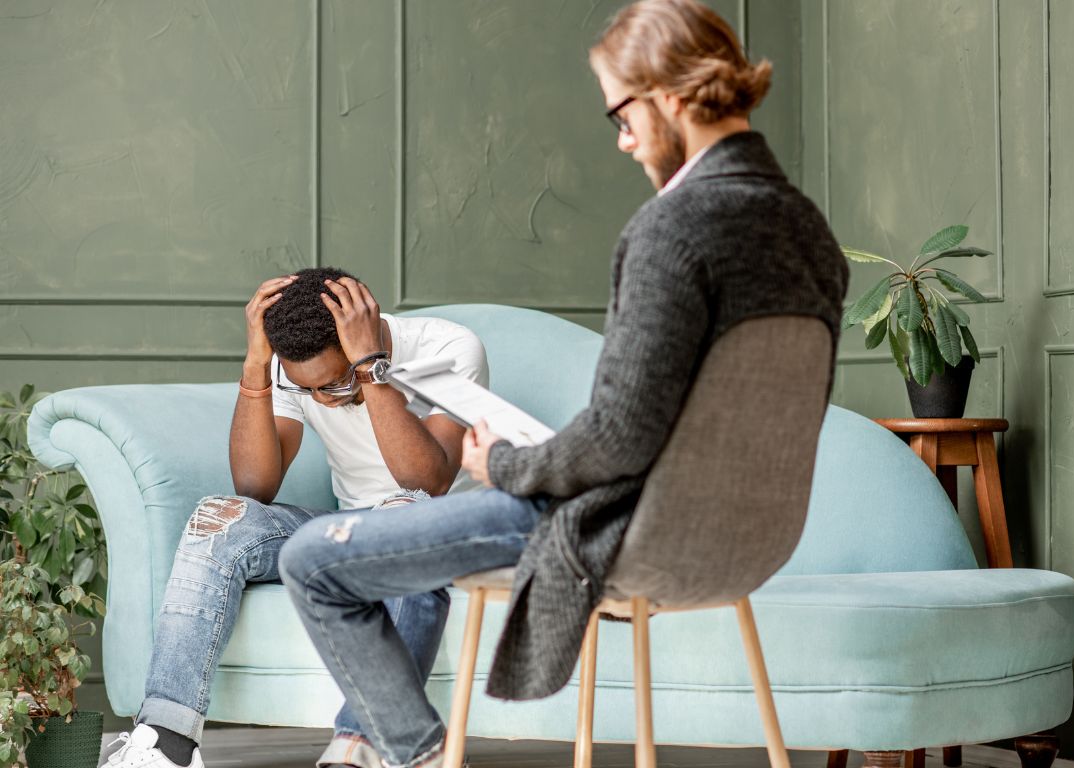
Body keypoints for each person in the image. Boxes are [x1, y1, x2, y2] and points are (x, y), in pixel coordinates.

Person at [278, 1, 849, 766]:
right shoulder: (808, 231)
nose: (621, 139)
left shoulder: (673, 230)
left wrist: (500, 464)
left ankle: (409, 755)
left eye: (621, 112)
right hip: (749, 542)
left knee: (312, 559)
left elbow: (617, 437)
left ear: (670, 96)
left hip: (629, 529)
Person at [100, 267, 488, 768]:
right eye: (312, 391)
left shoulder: (449, 347)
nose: (325, 397)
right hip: (348, 529)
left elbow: (426, 480)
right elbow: (256, 487)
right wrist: (257, 370)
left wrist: (370, 369)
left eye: (336, 380)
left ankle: (365, 742)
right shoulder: (292, 371)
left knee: (404, 507)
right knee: (220, 517)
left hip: (440, 526)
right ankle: (166, 743)